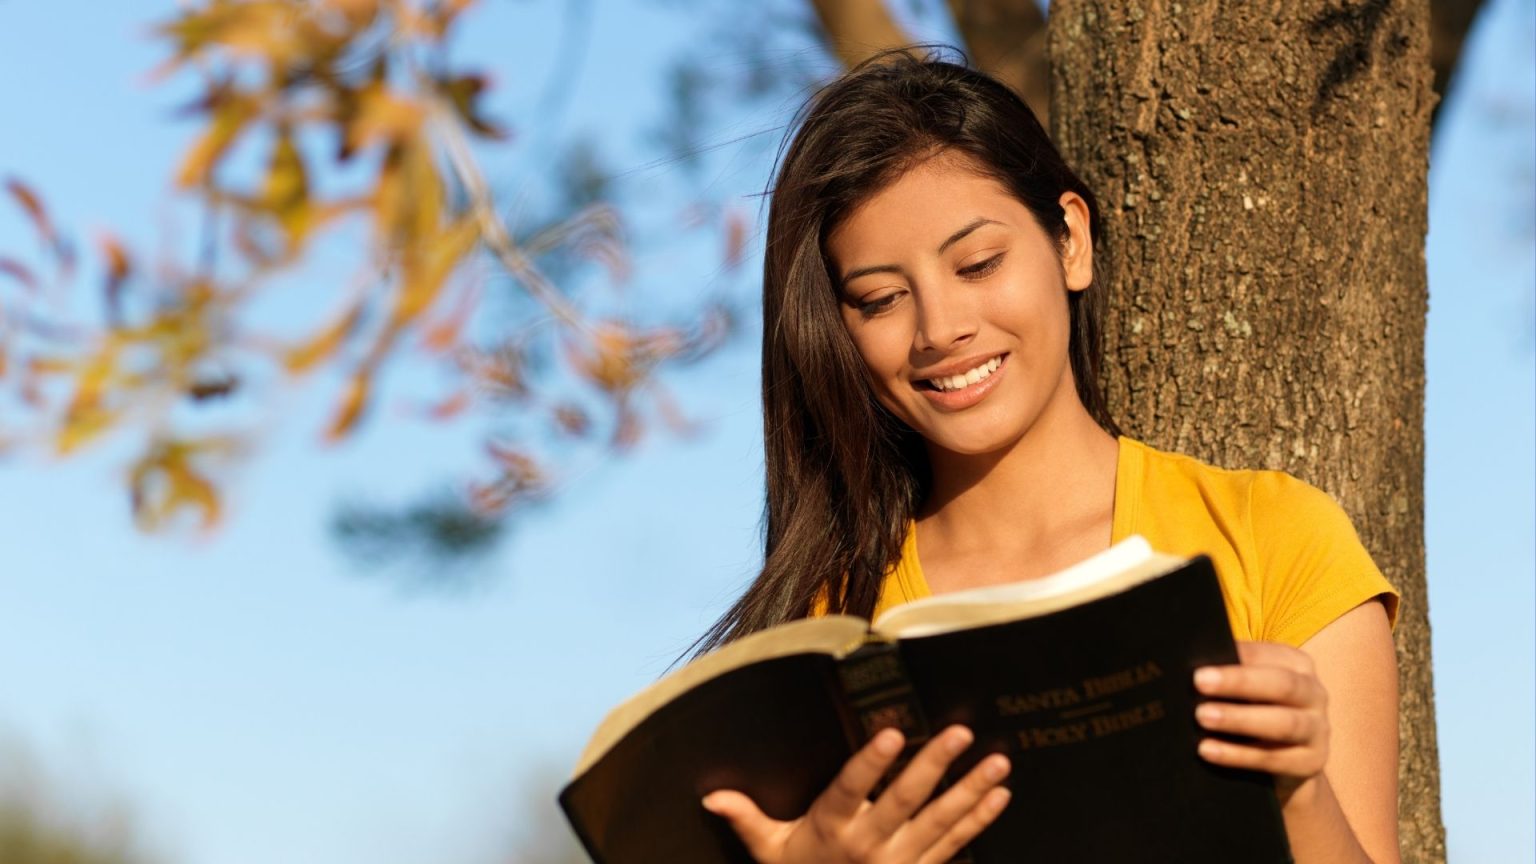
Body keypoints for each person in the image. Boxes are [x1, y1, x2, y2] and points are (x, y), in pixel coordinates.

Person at [695, 51, 1401, 864]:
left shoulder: (1273, 537)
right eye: (881, 300)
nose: (940, 329)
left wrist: (1300, 790)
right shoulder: (821, 635)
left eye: (978, 264)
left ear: (1071, 240)